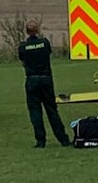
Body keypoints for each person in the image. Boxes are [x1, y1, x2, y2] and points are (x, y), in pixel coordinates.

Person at [17, 20, 70, 149]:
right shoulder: (44, 43)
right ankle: (63, 139)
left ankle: (41, 141)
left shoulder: (23, 47)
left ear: (27, 32)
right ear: (38, 30)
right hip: (46, 79)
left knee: (35, 112)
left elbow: (23, 62)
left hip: (32, 80)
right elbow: (48, 56)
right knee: (52, 110)